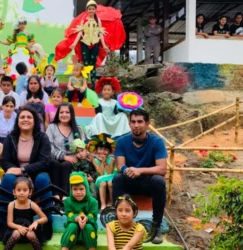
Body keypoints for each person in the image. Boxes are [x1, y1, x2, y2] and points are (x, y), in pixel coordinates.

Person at [0, 106, 52, 242]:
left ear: (35, 121)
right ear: (17, 120)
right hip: (17, 176)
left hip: (36, 173)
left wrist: (25, 171)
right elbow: (6, 161)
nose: (25, 119)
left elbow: (45, 161)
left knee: (43, 178)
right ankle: (0, 223)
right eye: (22, 117)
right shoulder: (11, 137)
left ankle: (47, 223)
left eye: (29, 117)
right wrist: (21, 175)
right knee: (7, 179)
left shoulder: (42, 137)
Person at [112, 109, 167, 244]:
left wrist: (140, 170)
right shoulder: (122, 141)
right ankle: (118, 224)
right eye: (133, 122)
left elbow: (162, 168)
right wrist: (128, 170)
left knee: (159, 181)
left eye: (140, 122)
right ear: (129, 124)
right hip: (129, 180)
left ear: (147, 124)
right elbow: (120, 165)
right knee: (118, 178)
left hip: (148, 182)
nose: (136, 125)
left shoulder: (157, 141)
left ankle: (156, 225)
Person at [55, 0, 125, 89]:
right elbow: (80, 33)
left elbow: (100, 34)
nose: (91, 10)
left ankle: (92, 84)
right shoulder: (83, 20)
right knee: (86, 64)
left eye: (93, 9)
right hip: (85, 44)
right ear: (87, 10)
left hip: (95, 44)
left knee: (93, 65)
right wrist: (74, 43)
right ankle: (84, 84)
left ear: (95, 10)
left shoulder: (98, 20)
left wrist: (104, 45)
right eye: (89, 9)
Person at [46, 103, 85, 200]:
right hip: (54, 158)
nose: (64, 115)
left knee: (66, 165)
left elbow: (83, 146)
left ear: (72, 114)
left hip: (73, 160)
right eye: (61, 112)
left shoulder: (78, 129)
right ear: (57, 114)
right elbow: (48, 146)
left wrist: (78, 155)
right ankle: (55, 196)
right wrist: (63, 156)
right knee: (54, 163)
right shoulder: (52, 127)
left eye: (67, 112)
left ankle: (64, 197)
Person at [3, 176, 48, 250]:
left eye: (25, 190)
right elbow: (9, 223)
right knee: (16, 233)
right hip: (15, 229)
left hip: (28, 229)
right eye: (19, 190)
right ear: (14, 192)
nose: (21, 193)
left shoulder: (32, 204)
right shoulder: (11, 204)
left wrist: (36, 222)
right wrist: (19, 227)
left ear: (30, 192)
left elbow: (45, 218)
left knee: (31, 235)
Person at [61, 172, 98, 250]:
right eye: (75, 189)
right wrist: (76, 218)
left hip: (88, 232)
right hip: (73, 234)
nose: (78, 192)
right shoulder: (68, 201)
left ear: (87, 188)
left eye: (81, 189)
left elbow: (93, 216)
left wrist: (87, 218)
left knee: (88, 227)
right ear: (71, 190)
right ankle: (65, 248)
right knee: (72, 226)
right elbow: (69, 215)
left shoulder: (93, 202)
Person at [89, 138, 116, 211]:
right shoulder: (95, 160)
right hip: (100, 179)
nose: (103, 152)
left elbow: (110, 172)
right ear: (96, 150)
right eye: (100, 149)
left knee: (110, 183)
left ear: (109, 152)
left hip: (110, 177)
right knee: (103, 183)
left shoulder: (112, 160)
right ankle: (103, 204)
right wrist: (101, 162)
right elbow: (100, 173)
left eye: (106, 150)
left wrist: (105, 162)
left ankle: (111, 202)